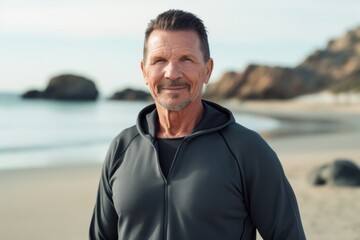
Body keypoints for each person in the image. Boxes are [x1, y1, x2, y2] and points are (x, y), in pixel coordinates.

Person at [89, 9, 306, 240]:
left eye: (186, 59)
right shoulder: (122, 148)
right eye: (159, 60)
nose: (172, 73)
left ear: (207, 70)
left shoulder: (247, 149)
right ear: (144, 71)